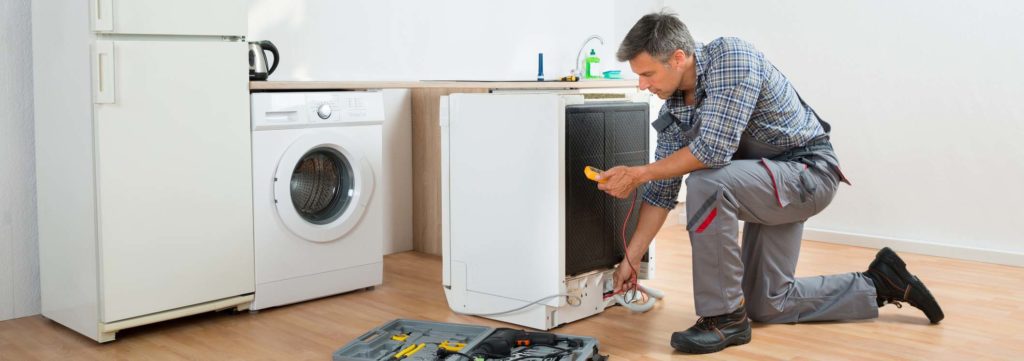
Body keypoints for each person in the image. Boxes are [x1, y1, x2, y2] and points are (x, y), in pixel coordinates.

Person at [598, 11, 944, 354]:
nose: (642, 85)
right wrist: (632, 258)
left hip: (806, 173)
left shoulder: (731, 58)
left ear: (677, 58)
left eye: (647, 74)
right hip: (764, 183)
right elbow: (661, 191)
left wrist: (640, 172)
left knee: (707, 182)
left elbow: (712, 151)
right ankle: (880, 283)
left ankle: (723, 318)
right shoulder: (673, 111)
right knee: (768, 304)